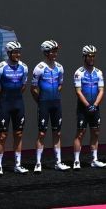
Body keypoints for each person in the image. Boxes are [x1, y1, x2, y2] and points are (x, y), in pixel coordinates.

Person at [32, 40, 69, 172]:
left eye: (56, 51)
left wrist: (54, 96)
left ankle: (58, 162)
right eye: (53, 51)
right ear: (46, 52)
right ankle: (38, 163)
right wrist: (41, 101)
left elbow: (60, 84)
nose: (55, 54)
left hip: (56, 103)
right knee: (42, 133)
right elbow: (33, 88)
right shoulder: (39, 68)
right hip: (44, 103)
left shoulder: (60, 67)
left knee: (57, 132)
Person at [0, 40, 29, 174]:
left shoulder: (24, 67)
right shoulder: (0, 67)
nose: (18, 54)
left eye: (19, 52)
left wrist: (15, 97)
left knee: (18, 134)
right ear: (9, 53)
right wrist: (3, 99)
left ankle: (17, 165)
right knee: (2, 136)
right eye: (15, 52)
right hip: (5, 105)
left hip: (18, 104)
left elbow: (23, 86)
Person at [73, 44, 106, 169]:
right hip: (83, 108)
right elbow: (78, 91)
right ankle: (76, 161)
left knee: (95, 132)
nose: (92, 58)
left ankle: (94, 160)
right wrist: (87, 105)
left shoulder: (99, 72)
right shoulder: (79, 73)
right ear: (84, 57)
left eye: (93, 56)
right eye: (89, 56)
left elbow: (101, 90)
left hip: (95, 107)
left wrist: (95, 105)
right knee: (80, 133)